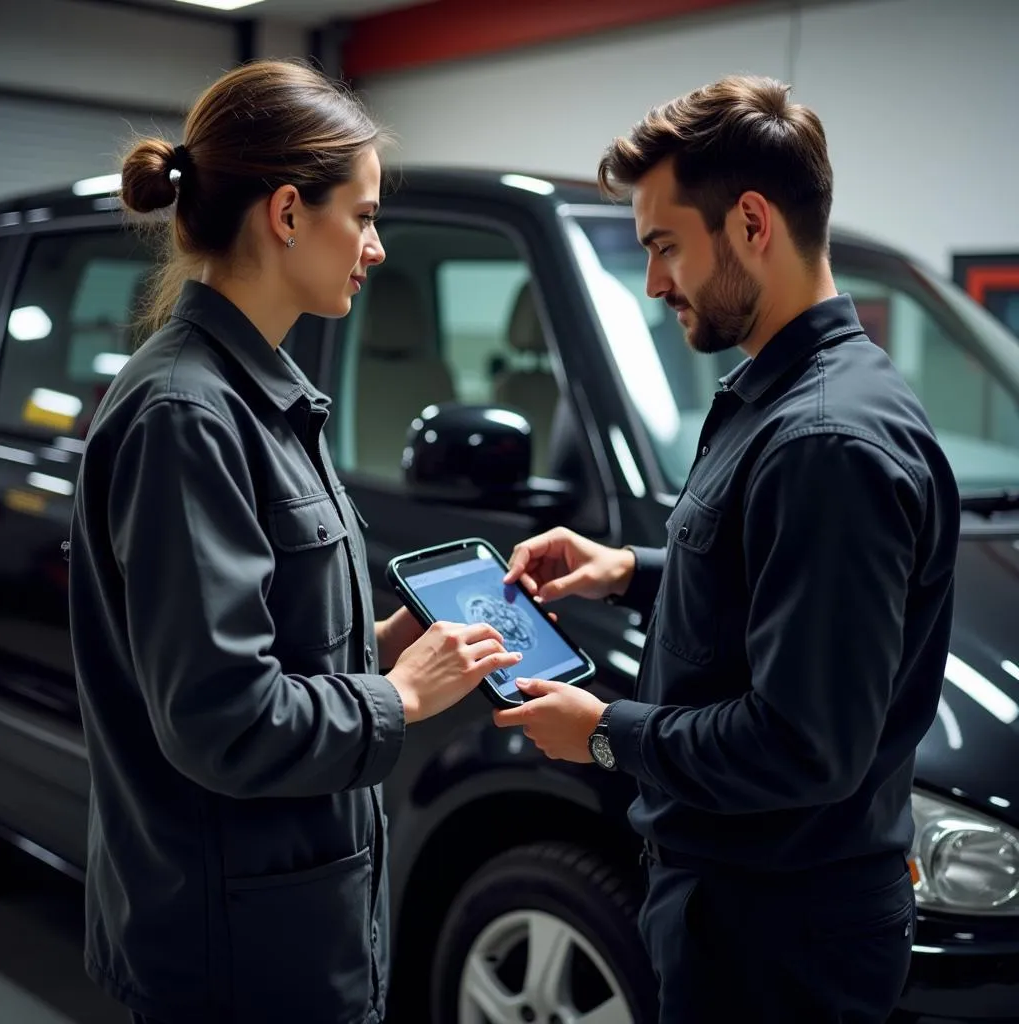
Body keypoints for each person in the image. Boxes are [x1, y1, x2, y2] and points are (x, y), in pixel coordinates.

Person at [494, 75, 960, 1023]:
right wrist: (630, 570)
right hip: (746, 908)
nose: (656, 281)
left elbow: (801, 745)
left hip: (777, 937)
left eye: (666, 246)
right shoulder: (790, 398)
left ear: (752, 222)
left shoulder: (826, 441)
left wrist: (602, 731)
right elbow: (771, 584)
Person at [68, 59, 522, 1024]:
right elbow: (224, 717)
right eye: (360, 216)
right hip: (236, 959)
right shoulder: (185, 416)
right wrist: (396, 696)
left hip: (286, 928)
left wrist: (382, 644)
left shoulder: (258, 397)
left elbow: (272, 645)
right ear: (285, 214)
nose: (375, 247)